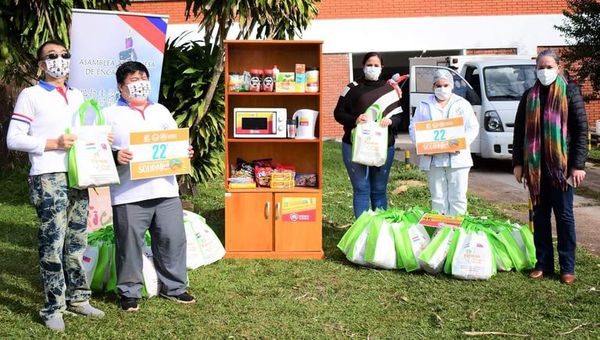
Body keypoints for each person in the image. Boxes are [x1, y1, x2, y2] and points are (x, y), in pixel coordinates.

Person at [6, 39, 105, 331]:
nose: (58, 60)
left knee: (77, 241)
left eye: (63, 55)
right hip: (48, 176)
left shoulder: (77, 95)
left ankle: (79, 298)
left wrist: (100, 140)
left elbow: (84, 134)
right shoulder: (31, 94)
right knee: (52, 242)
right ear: (41, 64)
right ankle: (52, 306)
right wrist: (53, 143)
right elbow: (14, 139)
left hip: (79, 174)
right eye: (51, 56)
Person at [104, 61, 195, 311]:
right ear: (121, 87)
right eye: (133, 80)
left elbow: (175, 144)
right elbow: (98, 150)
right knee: (128, 245)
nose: (139, 83)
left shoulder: (161, 112)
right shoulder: (108, 114)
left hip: (165, 190)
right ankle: (128, 292)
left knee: (172, 240)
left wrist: (184, 151)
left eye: (143, 77)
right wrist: (115, 156)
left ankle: (175, 287)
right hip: (128, 194)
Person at [512, 49, 588, 285]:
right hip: (536, 169)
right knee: (540, 216)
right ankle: (543, 263)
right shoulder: (529, 95)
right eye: (540, 67)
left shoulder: (570, 93)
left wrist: (577, 165)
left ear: (559, 67)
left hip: (562, 168)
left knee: (564, 217)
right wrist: (518, 163)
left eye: (548, 67)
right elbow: (519, 132)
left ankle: (567, 267)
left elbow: (580, 132)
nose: (544, 71)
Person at [334, 52, 403, 218]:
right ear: (363, 66)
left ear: (382, 68)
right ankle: (362, 232)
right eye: (369, 65)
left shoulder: (389, 90)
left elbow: (400, 117)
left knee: (379, 190)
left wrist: (391, 121)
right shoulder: (351, 88)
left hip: (383, 146)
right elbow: (338, 113)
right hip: (354, 145)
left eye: (376, 65)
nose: (372, 68)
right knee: (361, 189)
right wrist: (355, 119)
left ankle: (380, 231)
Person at [409, 69, 479, 216]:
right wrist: (422, 144)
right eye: (438, 85)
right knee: (438, 198)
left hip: (457, 158)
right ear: (433, 87)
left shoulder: (462, 104)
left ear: (452, 85)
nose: (442, 89)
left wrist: (459, 143)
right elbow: (414, 128)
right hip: (433, 159)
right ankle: (440, 232)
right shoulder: (424, 105)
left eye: (445, 85)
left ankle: (456, 233)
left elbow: (472, 127)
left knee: (458, 198)